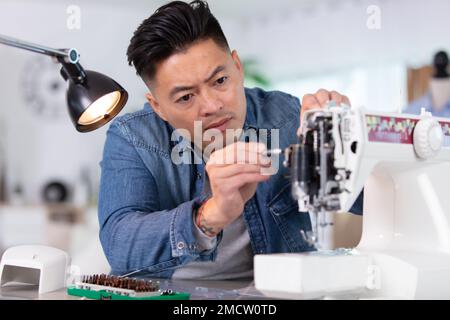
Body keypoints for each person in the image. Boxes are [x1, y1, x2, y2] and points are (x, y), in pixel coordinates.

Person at [98, 0, 362, 279]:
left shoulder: (285, 116)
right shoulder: (133, 138)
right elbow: (119, 244)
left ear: (237, 66)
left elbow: (365, 201)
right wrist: (210, 215)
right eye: (186, 97)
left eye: (220, 81)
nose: (212, 105)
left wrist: (341, 146)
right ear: (158, 107)